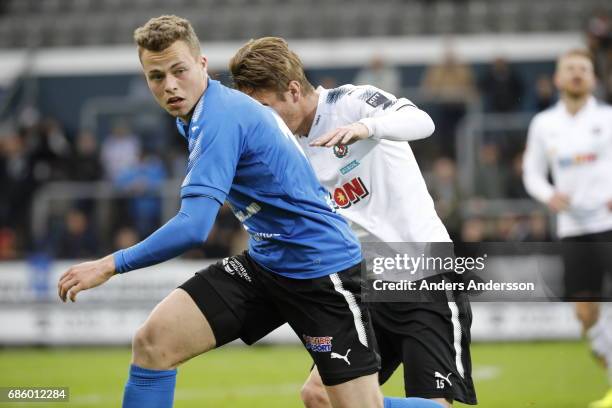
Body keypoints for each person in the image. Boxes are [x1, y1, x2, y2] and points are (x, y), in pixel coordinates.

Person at [56, 15, 438, 408]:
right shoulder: (196, 116)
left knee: (352, 407)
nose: (169, 85)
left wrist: (109, 264)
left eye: (179, 71)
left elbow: (193, 227)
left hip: (322, 272)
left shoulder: (219, 117)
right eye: (156, 76)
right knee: (153, 342)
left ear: (202, 65)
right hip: (266, 264)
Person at [229, 36, 477, 408]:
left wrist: (368, 128)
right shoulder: (286, 146)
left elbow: (421, 121)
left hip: (423, 274)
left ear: (293, 90)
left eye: (265, 107)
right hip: (365, 288)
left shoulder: (349, 101)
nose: (262, 119)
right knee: (318, 396)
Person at [522, 48, 612, 408]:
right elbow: (531, 172)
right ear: (557, 79)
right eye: (570, 69)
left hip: (609, 223)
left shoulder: (608, 117)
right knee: (585, 314)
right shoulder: (544, 124)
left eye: (583, 69)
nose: (577, 74)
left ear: (593, 78)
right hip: (573, 229)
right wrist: (548, 194)